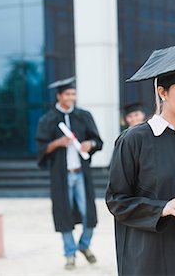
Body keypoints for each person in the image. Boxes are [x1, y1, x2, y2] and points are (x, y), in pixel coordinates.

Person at [106, 35, 175, 275]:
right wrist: (161, 208)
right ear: (163, 92)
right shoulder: (135, 140)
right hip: (153, 259)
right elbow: (117, 200)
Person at [35, 76, 103, 270]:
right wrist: (57, 143)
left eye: (73, 94)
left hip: (81, 173)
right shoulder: (47, 119)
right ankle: (69, 253)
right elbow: (41, 148)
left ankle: (84, 245)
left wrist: (90, 144)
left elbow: (98, 141)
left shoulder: (84, 116)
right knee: (63, 213)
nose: (71, 97)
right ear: (59, 96)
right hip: (61, 175)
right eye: (68, 94)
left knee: (88, 212)